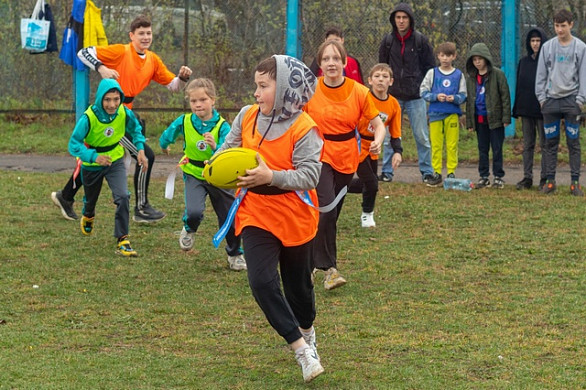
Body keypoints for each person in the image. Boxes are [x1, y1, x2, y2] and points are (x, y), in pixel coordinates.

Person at [214, 55, 324, 382]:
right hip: (255, 212)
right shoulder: (247, 116)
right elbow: (226, 150)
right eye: (256, 86)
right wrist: (216, 167)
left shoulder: (305, 128)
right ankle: (300, 349)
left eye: (263, 86)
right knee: (261, 281)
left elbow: (310, 176)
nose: (256, 93)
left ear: (287, 89)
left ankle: (307, 331)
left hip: (296, 215)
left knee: (299, 292)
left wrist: (270, 176)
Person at [51, 15, 193, 223]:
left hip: (125, 115)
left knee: (98, 157)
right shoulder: (120, 51)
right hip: (109, 114)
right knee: (146, 155)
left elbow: (173, 86)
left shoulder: (152, 60)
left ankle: (66, 196)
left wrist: (182, 78)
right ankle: (141, 208)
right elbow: (83, 52)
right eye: (141, 33)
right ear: (132, 36)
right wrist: (101, 67)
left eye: (149, 33)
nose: (146, 37)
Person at [305, 40, 385, 290]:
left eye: (335, 59)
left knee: (329, 216)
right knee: (326, 209)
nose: (331, 63)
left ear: (344, 62)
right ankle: (328, 269)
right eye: (326, 59)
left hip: (347, 157)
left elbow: (379, 124)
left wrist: (378, 142)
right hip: (318, 154)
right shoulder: (310, 89)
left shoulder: (359, 91)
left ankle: (312, 265)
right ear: (320, 64)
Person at [159, 78, 246, 270]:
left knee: (229, 216)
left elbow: (230, 150)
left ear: (213, 100)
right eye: (193, 101)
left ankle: (235, 254)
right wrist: (164, 145)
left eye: (203, 100)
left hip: (219, 176)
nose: (198, 105)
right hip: (194, 174)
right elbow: (167, 135)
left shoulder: (223, 126)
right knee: (194, 212)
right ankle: (189, 228)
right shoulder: (184, 121)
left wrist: (216, 147)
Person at [68, 78, 146, 257]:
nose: (112, 104)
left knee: (123, 196)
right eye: (107, 100)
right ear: (100, 99)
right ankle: (88, 215)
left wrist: (140, 148)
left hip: (115, 159)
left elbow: (136, 129)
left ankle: (123, 239)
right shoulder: (88, 117)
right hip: (92, 164)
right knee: (90, 199)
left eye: (116, 99)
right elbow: (74, 144)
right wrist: (94, 157)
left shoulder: (124, 112)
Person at [378, 2, 436, 184]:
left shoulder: (420, 41)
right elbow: (382, 66)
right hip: (393, 96)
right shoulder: (387, 41)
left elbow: (430, 67)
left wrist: (421, 85)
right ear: (393, 20)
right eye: (398, 18)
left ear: (410, 20)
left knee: (421, 136)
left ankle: (427, 172)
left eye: (404, 18)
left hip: (415, 97)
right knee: (388, 136)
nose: (401, 21)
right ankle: (387, 172)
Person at [535, 9, 585, 196]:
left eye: (563, 26)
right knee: (550, 143)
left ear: (571, 25)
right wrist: (542, 98)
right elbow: (541, 75)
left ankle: (574, 183)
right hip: (551, 102)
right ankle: (550, 181)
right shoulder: (547, 47)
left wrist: (580, 100)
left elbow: (584, 75)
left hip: (571, 101)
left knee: (574, 143)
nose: (560, 30)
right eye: (557, 26)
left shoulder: (580, 48)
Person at [348, 63, 402, 227]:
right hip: (356, 145)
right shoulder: (363, 97)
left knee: (368, 184)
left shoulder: (393, 105)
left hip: (374, 147)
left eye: (385, 77)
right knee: (372, 183)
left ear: (391, 81)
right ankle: (367, 214)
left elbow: (395, 133)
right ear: (370, 80)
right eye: (377, 76)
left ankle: (338, 186)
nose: (381, 80)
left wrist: (397, 152)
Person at [465, 43, 511, 189]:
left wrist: (506, 117)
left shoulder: (498, 75)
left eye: (480, 58)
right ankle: (483, 176)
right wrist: (470, 122)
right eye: (474, 59)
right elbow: (469, 101)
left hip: (495, 119)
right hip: (480, 119)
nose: (477, 62)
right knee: (482, 148)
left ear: (486, 58)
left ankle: (498, 176)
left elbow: (505, 96)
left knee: (497, 148)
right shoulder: (471, 78)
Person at [420, 41, 467, 185]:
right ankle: (437, 172)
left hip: (452, 114)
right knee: (436, 144)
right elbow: (423, 91)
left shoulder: (459, 75)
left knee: (452, 144)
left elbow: (463, 94)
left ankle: (451, 172)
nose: (445, 59)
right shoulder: (432, 73)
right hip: (435, 114)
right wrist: (435, 96)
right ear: (438, 56)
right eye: (442, 56)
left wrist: (455, 99)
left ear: (454, 56)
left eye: (448, 55)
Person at [513, 28, 548, 191]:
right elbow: (520, 86)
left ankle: (545, 177)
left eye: (538, 41)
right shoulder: (524, 62)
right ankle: (527, 177)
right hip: (527, 110)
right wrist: (517, 108)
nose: (535, 44)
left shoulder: (548, 61)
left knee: (545, 144)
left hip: (543, 110)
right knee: (528, 144)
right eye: (532, 41)